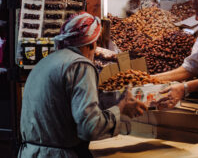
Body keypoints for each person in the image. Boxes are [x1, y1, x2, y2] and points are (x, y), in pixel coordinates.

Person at [18, 12, 147, 158]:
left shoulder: (44, 62)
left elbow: (62, 107)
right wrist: (120, 109)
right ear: (92, 43)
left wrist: (114, 100)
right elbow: (89, 127)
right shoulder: (80, 65)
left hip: (30, 153)